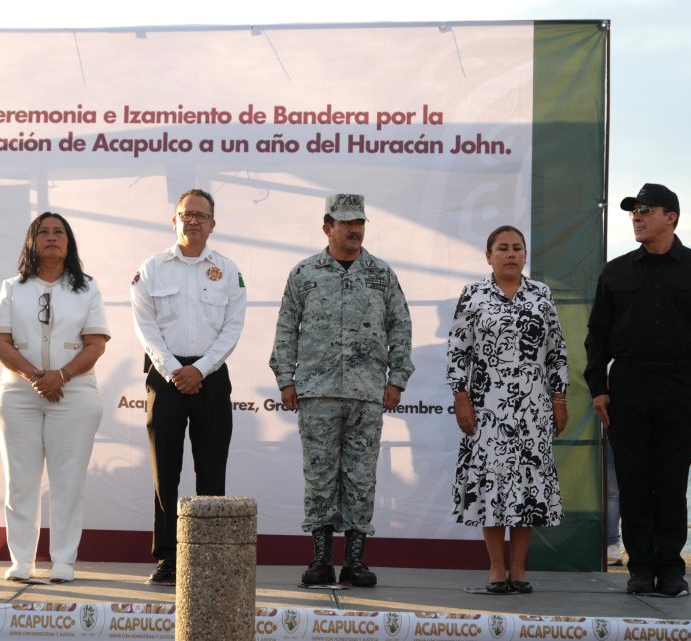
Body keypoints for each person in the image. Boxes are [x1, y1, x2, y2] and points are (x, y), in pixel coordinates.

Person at [269, 193, 413, 588]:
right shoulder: (305, 274)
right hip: (317, 392)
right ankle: (319, 561)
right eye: (347, 222)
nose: (355, 229)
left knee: (361, 478)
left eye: (360, 222)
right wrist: (286, 378)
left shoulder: (381, 275)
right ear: (327, 227)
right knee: (319, 476)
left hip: (366, 393)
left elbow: (400, 326)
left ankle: (354, 561)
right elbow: (286, 327)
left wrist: (397, 378)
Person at [130, 188, 246, 586]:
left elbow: (233, 326)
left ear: (213, 223)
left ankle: (209, 556)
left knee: (211, 471)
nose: (193, 220)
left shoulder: (229, 271)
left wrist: (201, 370)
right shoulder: (152, 268)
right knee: (166, 471)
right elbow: (145, 326)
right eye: (186, 214)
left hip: (211, 378)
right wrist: (173, 369)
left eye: (201, 215)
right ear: (174, 220)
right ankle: (167, 557)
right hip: (165, 380)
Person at [446, 225, 568, 594]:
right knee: (493, 486)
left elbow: (557, 351)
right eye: (503, 248)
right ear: (489, 256)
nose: (511, 253)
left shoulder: (541, 295)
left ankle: (519, 569)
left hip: (532, 409)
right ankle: (496, 569)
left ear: (525, 255)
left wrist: (559, 398)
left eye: (517, 248)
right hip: (487, 408)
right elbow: (457, 350)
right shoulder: (474, 294)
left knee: (528, 487)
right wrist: (461, 397)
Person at [585, 183, 691, 596]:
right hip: (628, 386)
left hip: (682, 388)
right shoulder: (617, 271)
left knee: (669, 481)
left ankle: (670, 567)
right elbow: (597, 336)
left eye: (646, 210)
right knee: (632, 480)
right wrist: (598, 388)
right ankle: (640, 568)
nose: (637, 216)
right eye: (633, 211)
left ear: (671, 217)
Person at [0, 212, 109, 583]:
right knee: (20, 481)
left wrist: (61, 376)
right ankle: (22, 560)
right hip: (17, 395)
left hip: (74, 395)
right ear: (32, 241)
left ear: (69, 243)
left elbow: (96, 344)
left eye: (59, 232)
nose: (52, 238)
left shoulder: (87, 288)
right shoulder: (13, 287)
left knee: (67, 481)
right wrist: (36, 377)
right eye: (44, 232)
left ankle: (63, 561)